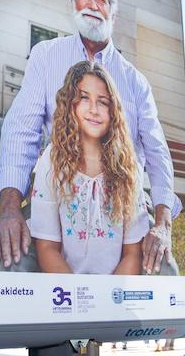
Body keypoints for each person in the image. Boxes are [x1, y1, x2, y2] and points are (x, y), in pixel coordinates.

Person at [0, 0, 179, 275]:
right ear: (71, 1)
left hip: (124, 207)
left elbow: (157, 153)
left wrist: (163, 225)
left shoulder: (135, 81)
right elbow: (21, 130)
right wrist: (9, 209)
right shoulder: (46, 56)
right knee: (3, 260)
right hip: (59, 197)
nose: (93, 4)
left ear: (113, 13)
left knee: (163, 268)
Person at [29, 61, 147, 274]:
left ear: (113, 111)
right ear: (70, 104)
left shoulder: (130, 168)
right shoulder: (53, 160)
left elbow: (132, 253)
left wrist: (108, 299)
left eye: (102, 102)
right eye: (84, 98)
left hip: (114, 294)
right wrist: (79, 299)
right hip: (66, 291)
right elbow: (47, 248)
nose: (94, 110)